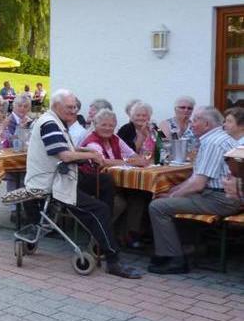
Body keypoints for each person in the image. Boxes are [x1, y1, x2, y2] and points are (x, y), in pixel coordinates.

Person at [24, 89, 142, 278]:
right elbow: (64, 155)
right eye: (69, 107)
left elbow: (67, 150)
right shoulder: (49, 123)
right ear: (56, 106)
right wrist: (90, 154)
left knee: (105, 180)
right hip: (52, 183)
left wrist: (84, 150)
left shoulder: (57, 122)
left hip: (63, 177)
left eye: (75, 107)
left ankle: (101, 238)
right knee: (100, 209)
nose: (74, 111)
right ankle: (113, 260)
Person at [148, 107, 240, 274]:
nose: (192, 123)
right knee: (168, 200)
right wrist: (172, 192)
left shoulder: (213, 142)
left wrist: (172, 195)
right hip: (220, 195)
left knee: (158, 207)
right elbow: (196, 179)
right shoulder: (217, 138)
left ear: (206, 124)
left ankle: (175, 259)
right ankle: (185, 248)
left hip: (221, 198)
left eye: (195, 120)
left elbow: (198, 183)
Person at [81, 109, 150, 248]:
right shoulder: (92, 142)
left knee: (139, 196)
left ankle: (128, 236)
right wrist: (130, 162)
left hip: (119, 183)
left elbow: (132, 155)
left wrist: (138, 159)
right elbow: (102, 161)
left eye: (111, 125)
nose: (108, 128)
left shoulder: (115, 138)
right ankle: (98, 238)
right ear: (95, 124)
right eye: (104, 125)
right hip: (97, 186)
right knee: (119, 203)